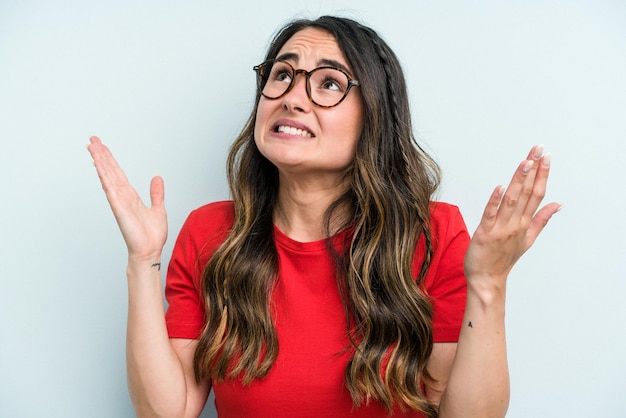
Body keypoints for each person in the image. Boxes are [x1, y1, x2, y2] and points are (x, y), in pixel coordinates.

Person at [87, 15, 560, 418]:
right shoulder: (211, 233)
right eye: (281, 75)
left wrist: (488, 283)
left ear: (373, 117)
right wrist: (143, 261)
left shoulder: (433, 234)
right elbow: (168, 410)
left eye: (329, 83)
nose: (292, 97)